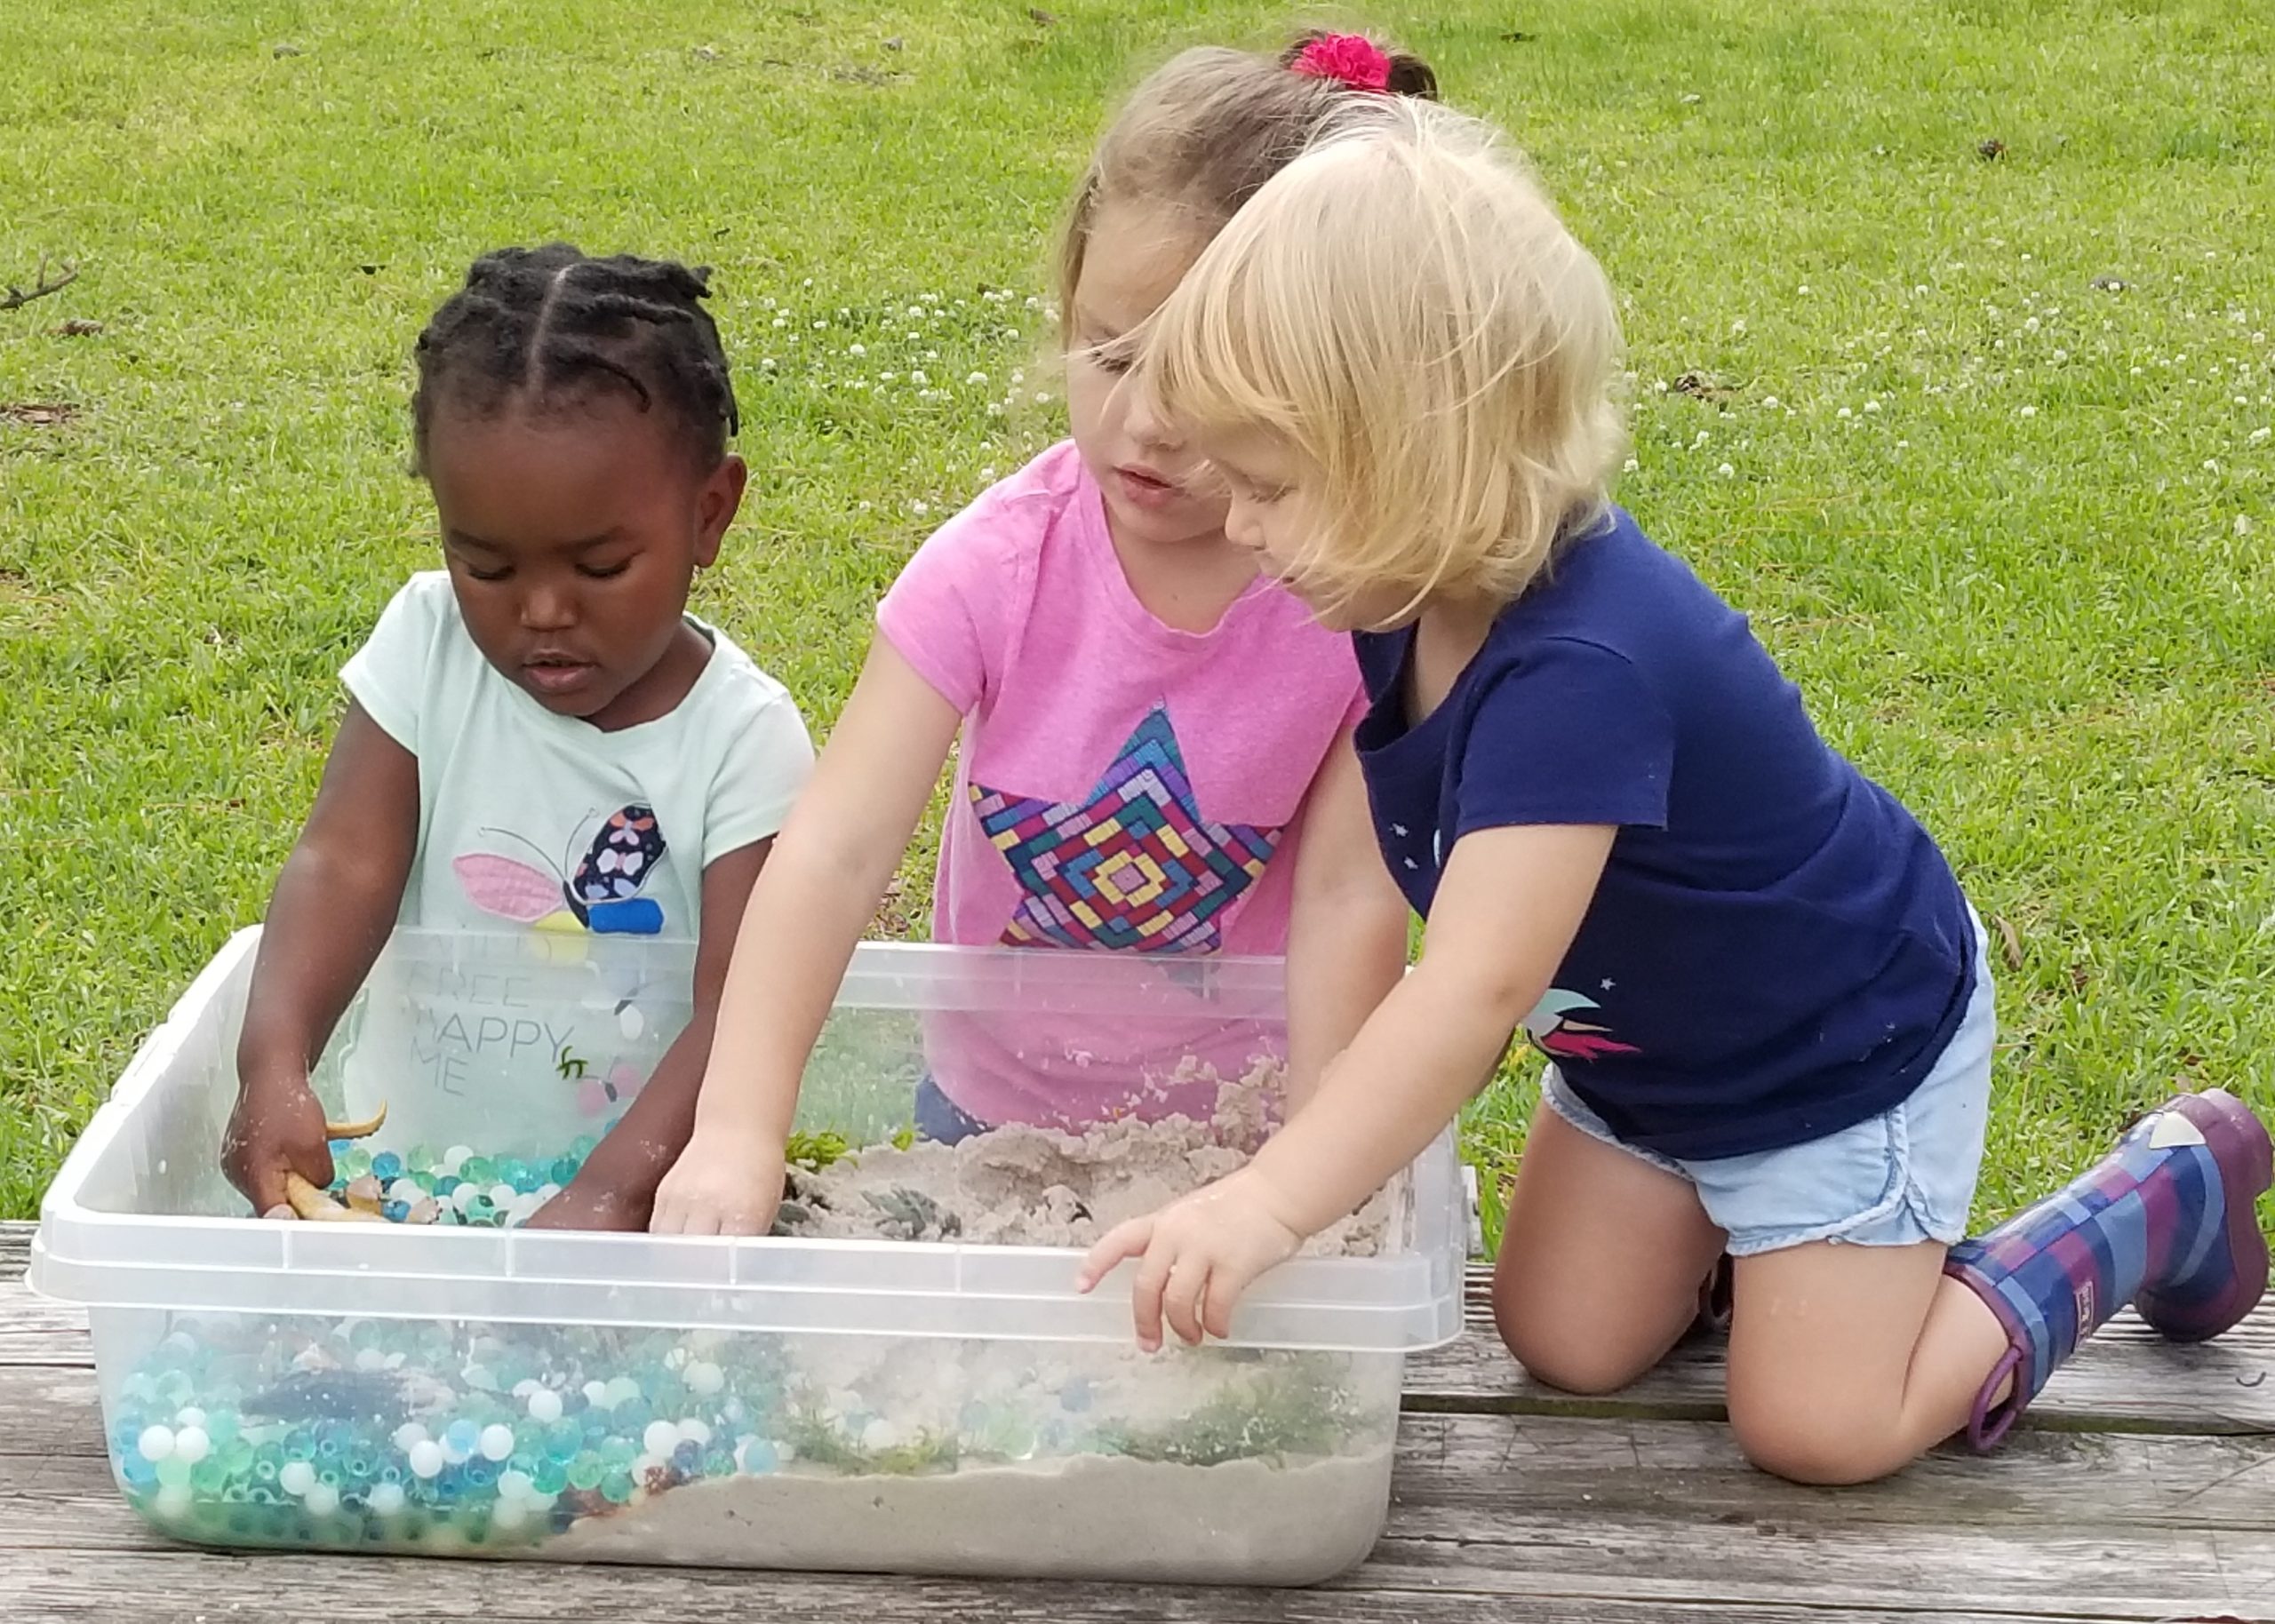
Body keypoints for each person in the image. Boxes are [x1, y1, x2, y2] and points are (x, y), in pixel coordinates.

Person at [1079, 100, 2272, 1484]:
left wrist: (1272, 1201)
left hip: (1835, 1056)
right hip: (1648, 1072)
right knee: (1562, 1341)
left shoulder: (1581, 671)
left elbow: (1464, 994)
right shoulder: (1404, 589)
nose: (1237, 524)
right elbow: (1364, 893)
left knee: (1818, 1428)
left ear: (1415, 465)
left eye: (1272, 487)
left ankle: (2159, 1188)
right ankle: (1770, 1261)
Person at [648, 35, 1434, 1236]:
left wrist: (1321, 1172)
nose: (1146, 423)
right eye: (1110, 354)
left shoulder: (1349, 603)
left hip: (1243, 1141)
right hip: (988, 1116)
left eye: (1206, 377)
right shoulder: (992, 569)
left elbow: (1346, 903)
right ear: (1066, 309)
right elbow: (836, 852)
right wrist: (739, 1127)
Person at [222, 244, 814, 1231]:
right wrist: (274, 1061)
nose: (541, 611)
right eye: (485, 567)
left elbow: (742, 1010)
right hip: (407, 1185)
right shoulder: (427, 645)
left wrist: (610, 1194)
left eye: (600, 565)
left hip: (635, 1213)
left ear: (709, 514)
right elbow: (342, 864)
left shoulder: (743, 743)